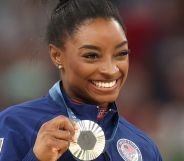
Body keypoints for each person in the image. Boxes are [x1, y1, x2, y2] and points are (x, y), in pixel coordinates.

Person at [0, 0, 162, 160]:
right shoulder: (13, 125)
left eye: (121, 53)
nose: (111, 69)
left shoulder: (143, 148)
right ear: (57, 56)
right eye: (91, 56)